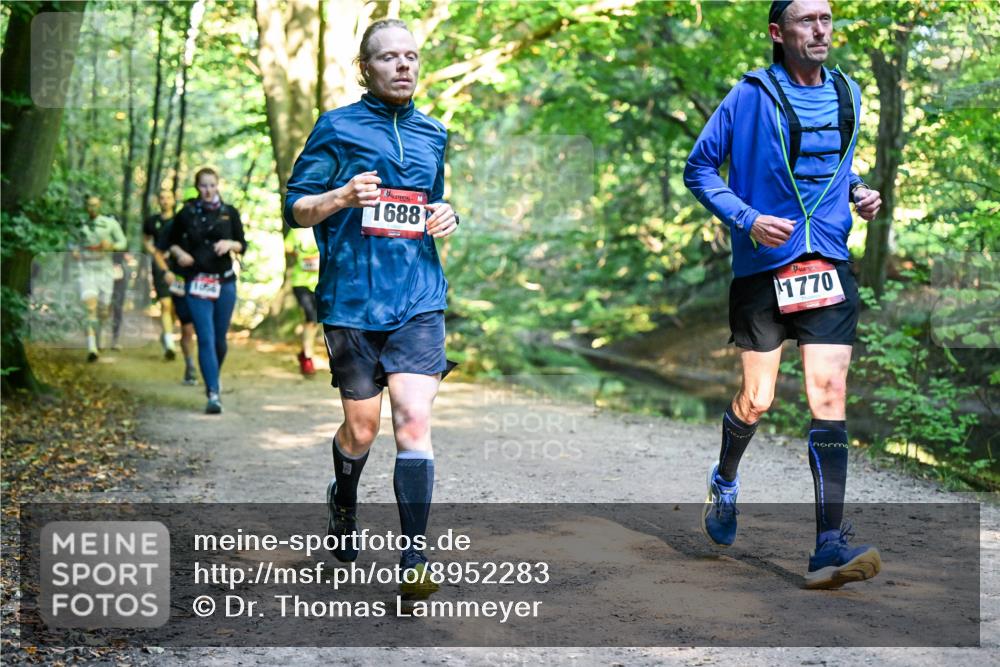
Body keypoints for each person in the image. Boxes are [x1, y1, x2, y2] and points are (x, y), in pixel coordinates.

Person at [683, 0, 883, 589]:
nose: (820, 29)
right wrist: (745, 218)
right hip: (764, 267)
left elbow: (835, 167)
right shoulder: (748, 96)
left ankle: (827, 546)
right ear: (778, 32)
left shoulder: (849, 92)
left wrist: (860, 192)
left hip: (828, 262)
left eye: (826, 18)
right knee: (758, 398)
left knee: (828, 392)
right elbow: (699, 169)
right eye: (806, 21)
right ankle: (725, 478)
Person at [284, 19, 459, 605]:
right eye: (389, 58)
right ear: (366, 68)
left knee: (412, 422)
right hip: (353, 302)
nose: (403, 66)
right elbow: (296, 207)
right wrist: (339, 196)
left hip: (418, 299)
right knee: (362, 431)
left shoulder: (434, 133)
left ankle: (413, 558)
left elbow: (430, 204)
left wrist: (446, 215)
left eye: (411, 56)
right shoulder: (336, 127)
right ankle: (344, 495)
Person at [161, 168, 246, 413]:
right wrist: (181, 254)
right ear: (197, 187)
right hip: (197, 282)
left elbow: (243, 244)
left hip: (225, 283)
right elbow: (168, 243)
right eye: (203, 186)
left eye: (212, 185)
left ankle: (212, 377)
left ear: (218, 186)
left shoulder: (230, 213)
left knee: (220, 341)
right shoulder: (186, 213)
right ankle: (213, 393)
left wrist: (230, 243)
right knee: (205, 338)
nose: (208, 190)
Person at [146, 190, 198, 384]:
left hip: (201, 283)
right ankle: (189, 364)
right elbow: (157, 251)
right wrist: (166, 271)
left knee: (187, 322)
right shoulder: (173, 225)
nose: (193, 207)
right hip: (177, 278)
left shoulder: (210, 224)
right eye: (189, 203)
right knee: (184, 324)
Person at [74, 195, 127, 362]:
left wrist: (111, 246)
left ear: (100, 205)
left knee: (103, 309)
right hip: (87, 270)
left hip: (105, 270)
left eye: (96, 205)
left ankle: (101, 330)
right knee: (91, 307)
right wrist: (74, 251)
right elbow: (72, 243)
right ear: (86, 206)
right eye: (90, 205)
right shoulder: (80, 224)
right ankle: (92, 347)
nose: (93, 209)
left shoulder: (110, 224)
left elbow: (123, 242)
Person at [144, 190, 179, 361]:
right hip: (159, 267)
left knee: (175, 308)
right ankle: (170, 344)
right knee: (165, 303)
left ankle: (166, 334)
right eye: (162, 198)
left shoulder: (180, 220)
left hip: (178, 267)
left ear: (173, 200)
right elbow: (146, 239)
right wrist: (155, 251)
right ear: (158, 201)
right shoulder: (152, 221)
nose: (165, 201)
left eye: (168, 198)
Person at [284, 226, 321, 376]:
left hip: (319, 281)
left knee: (315, 320)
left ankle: (304, 351)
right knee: (310, 317)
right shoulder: (296, 230)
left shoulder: (323, 228)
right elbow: (287, 248)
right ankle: (307, 357)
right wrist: (299, 254)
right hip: (301, 282)